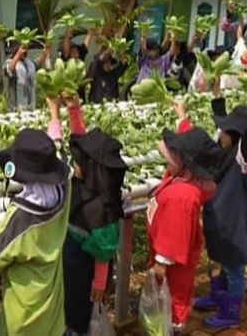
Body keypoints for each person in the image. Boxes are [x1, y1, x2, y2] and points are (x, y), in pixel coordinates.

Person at [0, 98, 72, 336]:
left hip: (24, 312)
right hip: (51, 303)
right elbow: (59, 154)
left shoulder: (21, 219)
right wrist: (54, 113)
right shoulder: (64, 191)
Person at [146, 101, 220, 334]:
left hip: (172, 267)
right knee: (174, 298)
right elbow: (193, 145)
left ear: (186, 164)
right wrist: (182, 116)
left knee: (170, 304)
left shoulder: (181, 197)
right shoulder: (188, 180)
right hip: (179, 264)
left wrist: (161, 263)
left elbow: (173, 235)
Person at [60, 97, 128, 335]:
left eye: (77, 161)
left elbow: (104, 250)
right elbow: (79, 139)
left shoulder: (101, 205)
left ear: (90, 167)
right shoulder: (85, 183)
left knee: (80, 313)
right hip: (70, 259)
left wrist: (99, 282)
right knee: (69, 307)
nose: (73, 163)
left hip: (84, 269)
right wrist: (73, 109)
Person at [191, 83, 247, 329]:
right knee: (220, 260)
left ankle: (231, 311)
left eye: (224, 130)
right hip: (218, 218)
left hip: (234, 222)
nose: (219, 132)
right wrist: (217, 97)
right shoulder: (223, 150)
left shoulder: (241, 155)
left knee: (234, 267)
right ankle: (217, 297)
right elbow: (225, 126)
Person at [5, 40, 52, 111]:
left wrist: (45, 53)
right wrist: (18, 55)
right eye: (23, 49)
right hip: (16, 106)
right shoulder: (9, 62)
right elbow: (9, 70)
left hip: (30, 103)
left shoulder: (28, 62)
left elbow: (38, 64)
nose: (26, 51)